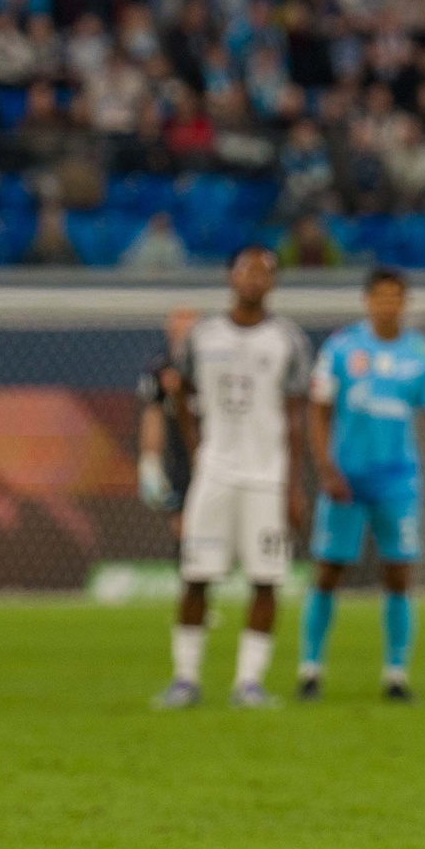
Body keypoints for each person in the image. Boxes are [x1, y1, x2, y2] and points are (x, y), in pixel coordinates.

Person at [297, 267, 425, 702]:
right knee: (329, 571)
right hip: (346, 480)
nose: (388, 304)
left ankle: (396, 675)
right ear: (367, 301)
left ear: (404, 303)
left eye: (396, 297)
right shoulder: (341, 348)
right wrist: (326, 468)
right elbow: (317, 411)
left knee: (399, 575)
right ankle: (310, 669)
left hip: (398, 481)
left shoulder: (422, 355)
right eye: (381, 296)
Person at [155, 247, 312, 710]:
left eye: (265, 271)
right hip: (216, 475)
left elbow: (296, 415)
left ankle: (249, 683)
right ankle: (185, 679)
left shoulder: (288, 340)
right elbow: (178, 390)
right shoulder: (202, 335)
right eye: (246, 269)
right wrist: (197, 445)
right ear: (230, 276)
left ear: (275, 282)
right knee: (196, 576)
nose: (254, 278)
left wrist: (294, 484)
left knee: (267, 580)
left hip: (267, 478)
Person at [136, 307, 200, 536]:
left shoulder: (213, 364)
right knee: (182, 526)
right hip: (180, 453)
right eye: (179, 320)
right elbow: (154, 412)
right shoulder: (159, 367)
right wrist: (150, 460)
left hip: (214, 451)